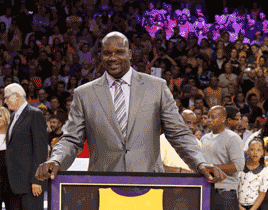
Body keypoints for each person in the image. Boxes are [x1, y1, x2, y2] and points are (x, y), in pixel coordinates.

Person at [35, 32, 225, 183]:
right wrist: (56, 159)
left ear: (130, 54)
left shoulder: (157, 87)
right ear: (101, 56)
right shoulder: (84, 94)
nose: (113, 57)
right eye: (107, 53)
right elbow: (71, 139)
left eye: (119, 52)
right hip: (103, 185)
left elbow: (179, 134)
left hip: (149, 185)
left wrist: (200, 163)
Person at [0, 83, 48, 210]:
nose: (5, 101)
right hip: (14, 181)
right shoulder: (15, 117)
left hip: (30, 181)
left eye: (7, 97)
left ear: (17, 96)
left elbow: (41, 150)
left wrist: (37, 180)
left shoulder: (35, 115)